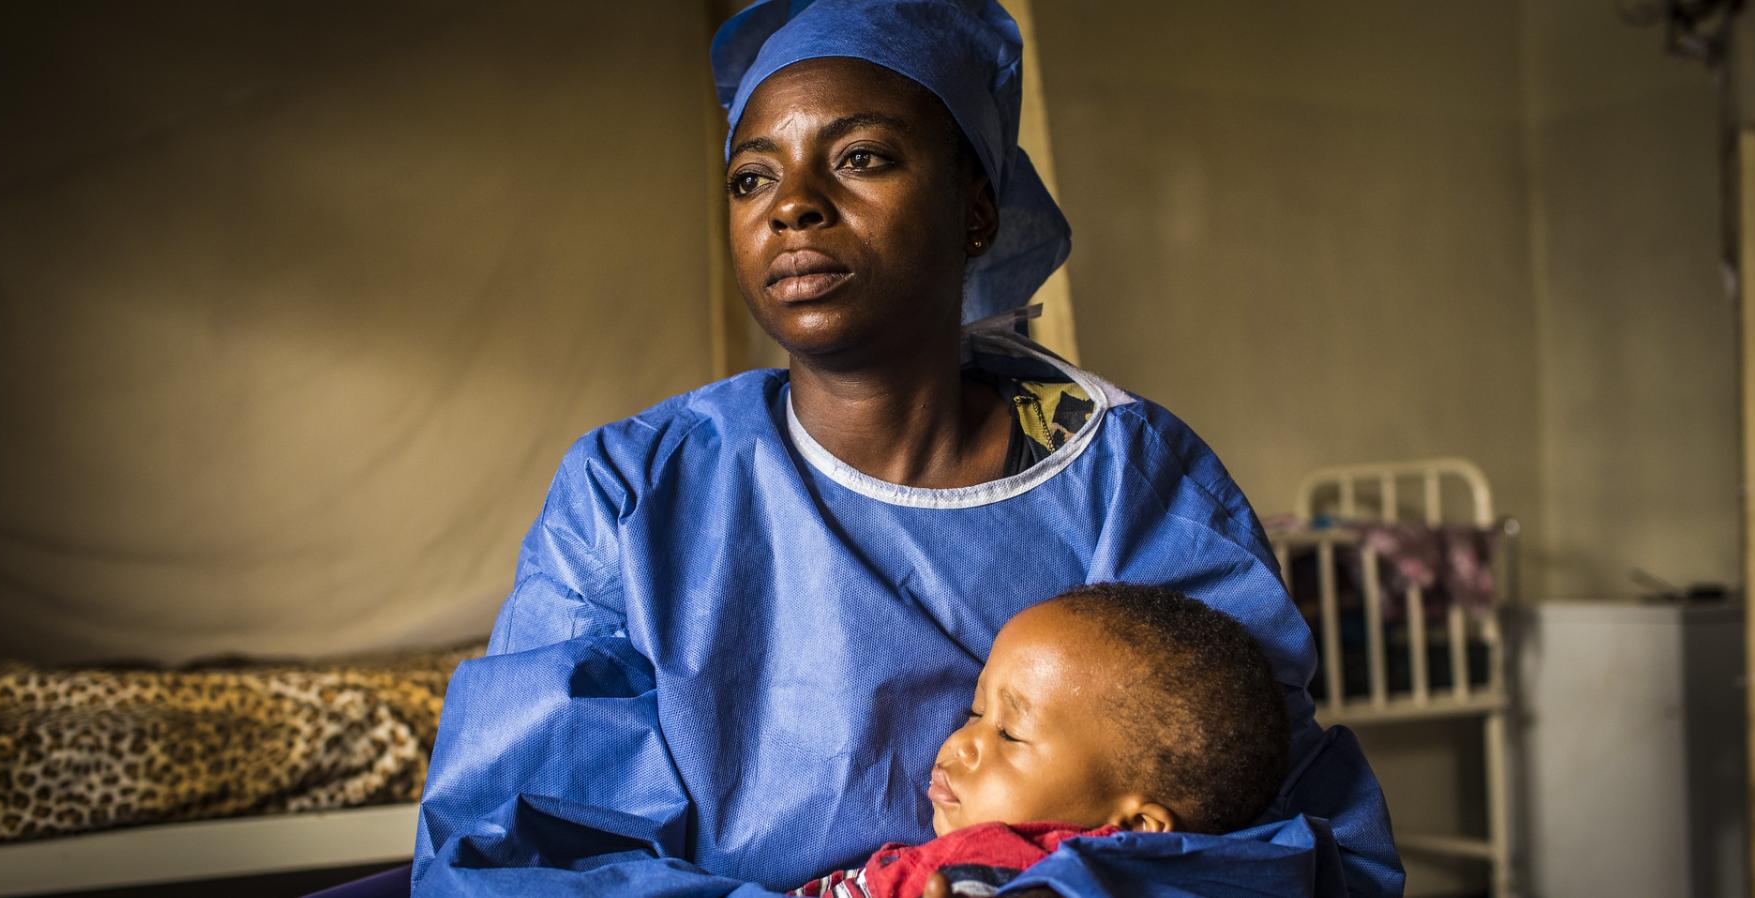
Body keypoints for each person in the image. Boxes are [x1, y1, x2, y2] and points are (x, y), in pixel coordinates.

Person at [412, 1, 1402, 896]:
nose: (789, 204)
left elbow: (1273, 832)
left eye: (859, 157)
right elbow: (510, 850)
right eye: (751, 174)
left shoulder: (1135, 484)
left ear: (977, 208)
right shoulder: (635, 490)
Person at [790, 583, 1291, 898]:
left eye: (1009, 733)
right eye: (976, 712)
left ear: (1134, 826)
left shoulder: (1008, 876)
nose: (960, 742)